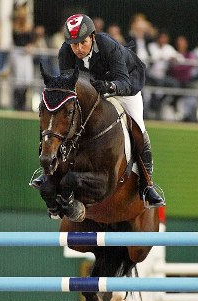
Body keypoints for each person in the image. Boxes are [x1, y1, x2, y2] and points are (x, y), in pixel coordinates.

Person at [33, 14, 165, 208]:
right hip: (93, 89)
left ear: (93, 37)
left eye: (82, 43)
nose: (78, 49)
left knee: (138, 126)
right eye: (73, 44)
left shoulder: (108, 46)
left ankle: (146, 185)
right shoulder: (66, 52)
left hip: (123, 86)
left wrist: (108, 87)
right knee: (63, 116)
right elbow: (70, 87)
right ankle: (50, 171)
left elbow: (123, 81)